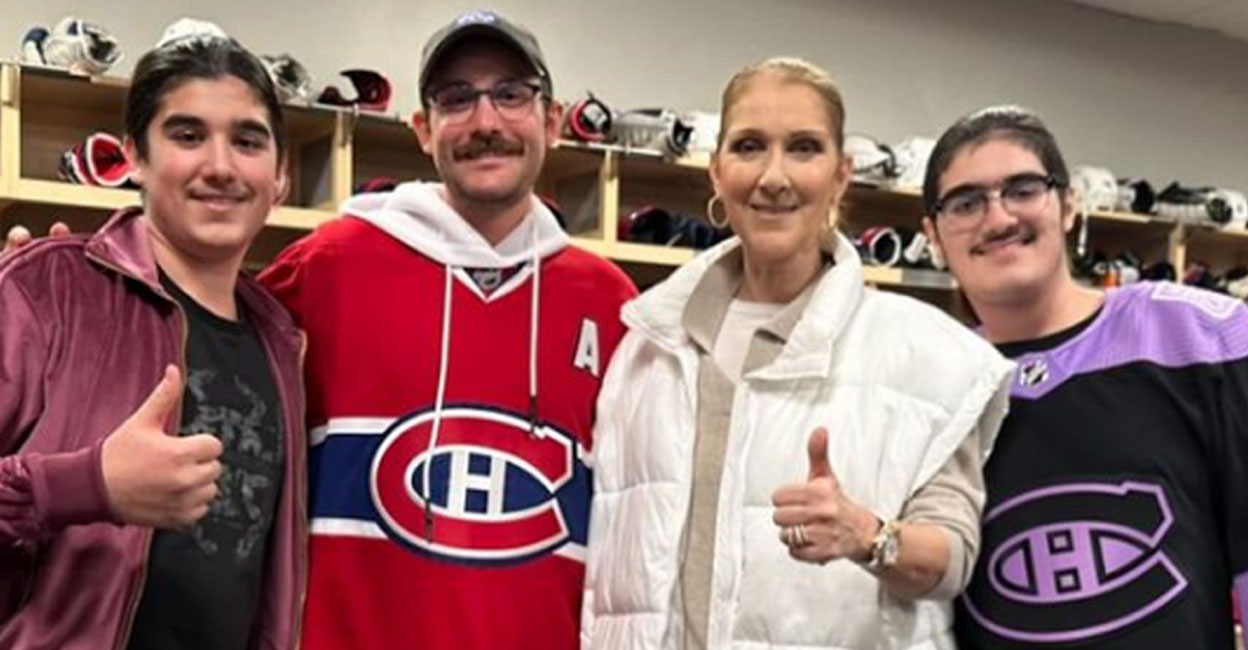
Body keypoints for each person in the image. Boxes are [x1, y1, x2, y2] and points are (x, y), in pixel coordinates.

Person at [580, 57, 1014, 650]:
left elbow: (953, 557)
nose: (774, 176)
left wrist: (868, 536)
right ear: (716, 170)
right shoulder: (649, 345)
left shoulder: (928, 357)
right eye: (750, 146)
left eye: (803, 148)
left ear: (840, 175)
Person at [256, 10, 637, 650]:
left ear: (551, 119)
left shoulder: (611, 303)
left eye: (511, 94)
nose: (486, 123)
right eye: (457, 98)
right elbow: (199, 366)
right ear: (424, 129)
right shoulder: (326, 268)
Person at [0, 34, 307, 650]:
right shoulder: (47, 288)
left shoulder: (282, 340)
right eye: (188, 136)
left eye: (246, 141)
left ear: (279, 177)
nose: (220, 166)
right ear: (134, 155)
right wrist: (89, 485)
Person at [919, 105, 1248, 649]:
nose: (998, 219)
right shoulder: (931, 382)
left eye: (1023, 189)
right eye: (966, 202)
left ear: (1069, 204)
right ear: (933, 232)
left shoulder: (1200, 338)